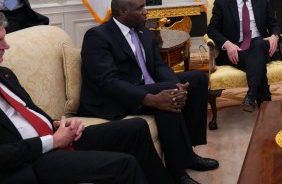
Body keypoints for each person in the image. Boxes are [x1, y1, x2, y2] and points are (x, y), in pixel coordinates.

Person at [0, 12, 175, 184]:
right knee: (124, 164)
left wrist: (57, 124)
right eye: (0, 40)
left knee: (136, 128)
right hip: (30, 159)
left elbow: (27, 113)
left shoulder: (5, 75)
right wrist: (52, 142)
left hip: (51, 136)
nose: (6, 46)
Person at [79, 0, 218, 184]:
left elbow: (159, 66)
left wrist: (177, 84)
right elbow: (108, 81)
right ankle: (176, 171)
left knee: (197, 79)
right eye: (140, 8)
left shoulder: (144, 32)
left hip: (146, 86)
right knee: (166, 97)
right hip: (115, 97)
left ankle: (189, 153)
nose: (146, 12)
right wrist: (151, 98)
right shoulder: (98, 36)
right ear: (122, 12)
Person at [206, 0, 281, 112]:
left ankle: (251, 94)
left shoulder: (261, 0)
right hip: (236, 49)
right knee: (257, 61)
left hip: (261, 44)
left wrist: (274, 36)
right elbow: (212, 29)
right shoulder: (222, 2)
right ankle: (265, 107)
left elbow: (274, 24)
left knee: (259, 43)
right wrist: (227, 45)